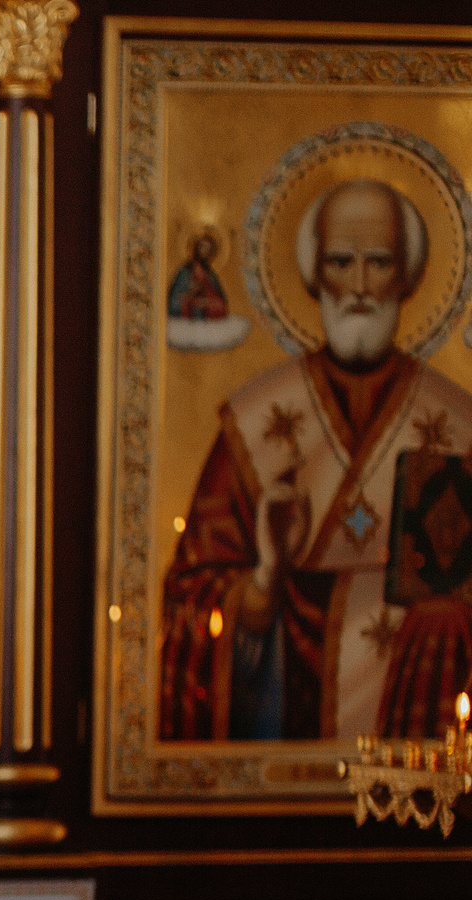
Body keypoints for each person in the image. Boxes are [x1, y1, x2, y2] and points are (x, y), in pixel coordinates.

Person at [158, 177, 472, 740]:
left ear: (408, 276)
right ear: (312, 275)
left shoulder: (458, 422)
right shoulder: (254, 422)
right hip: (285, 728)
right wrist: (263, 580)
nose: (358, 286)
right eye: (340, 262)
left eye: (378, 263)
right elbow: (187, 603)